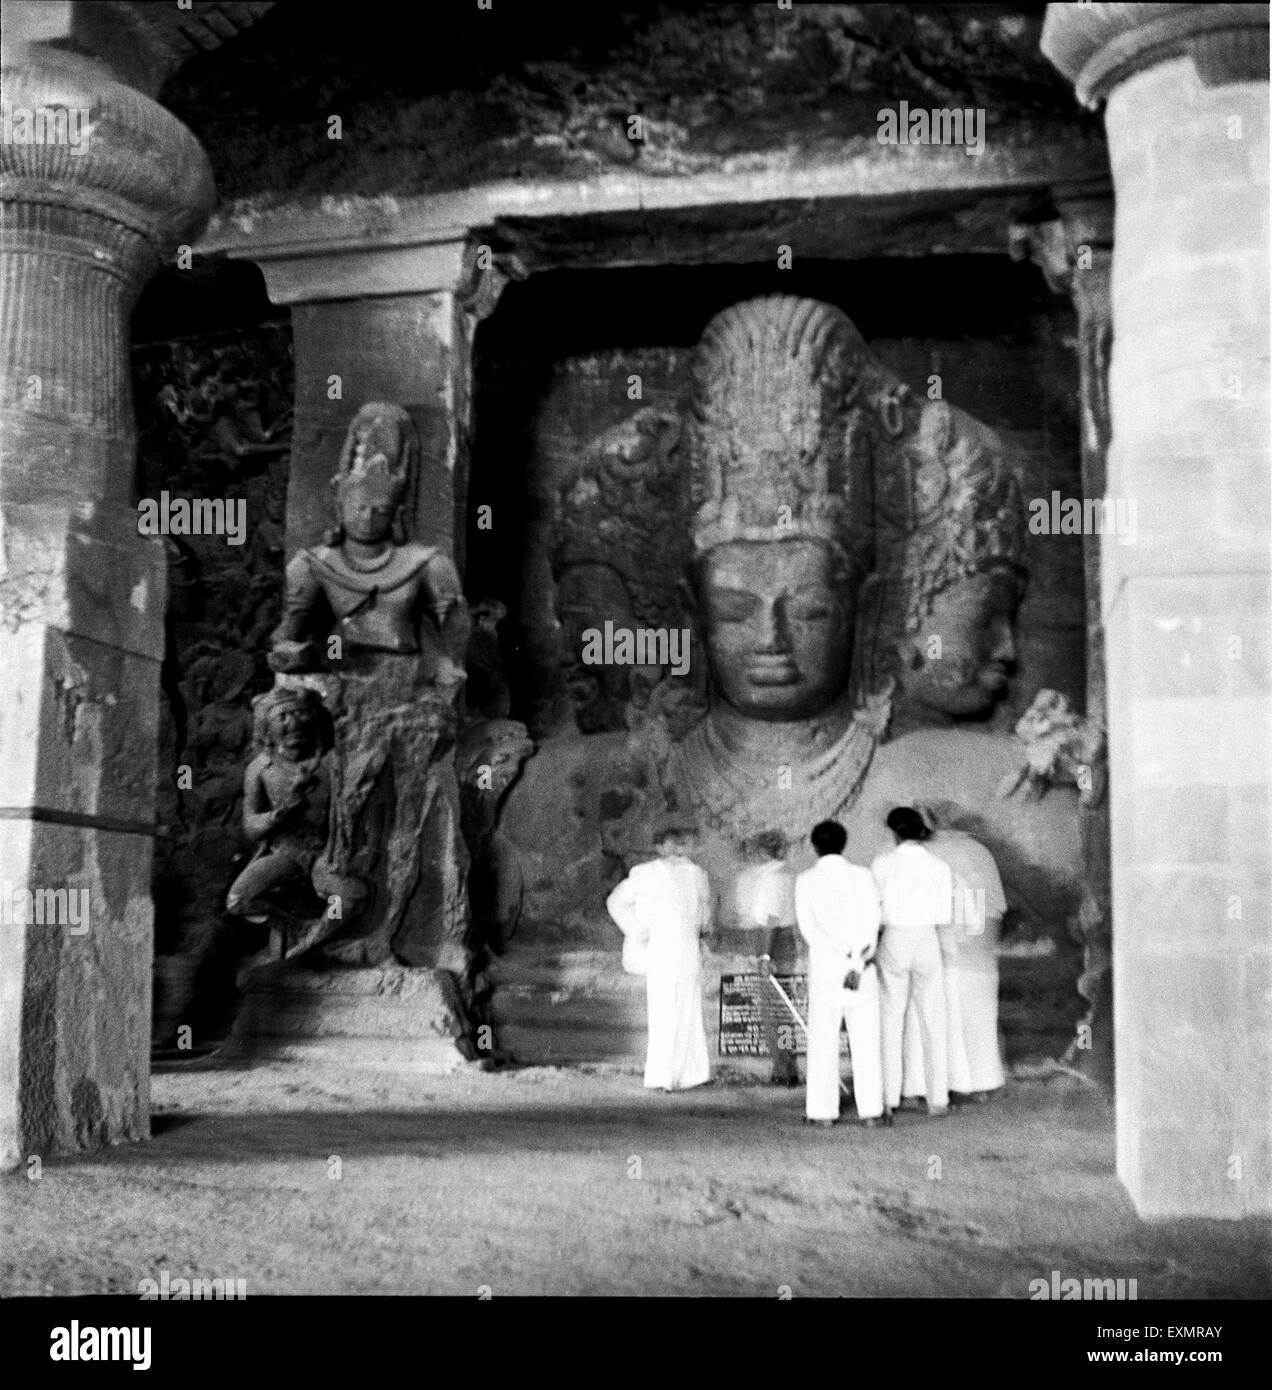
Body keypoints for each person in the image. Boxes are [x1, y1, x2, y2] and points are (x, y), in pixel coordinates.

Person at [794, 820, 886, 1127]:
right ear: (844, 843)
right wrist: (857, 961)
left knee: (822, 1040)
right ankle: (872, 1112)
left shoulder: (806, 880)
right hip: (861, 969)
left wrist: (840, 953)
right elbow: (874, 923)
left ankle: (822, 1113)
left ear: (814, 846)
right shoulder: (864, 876)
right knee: (867, 1040)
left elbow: (810, 931)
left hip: (826, 968)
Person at [607, 824, 712, 1092]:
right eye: (669, 843)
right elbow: (616, 902)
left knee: (689, 1012)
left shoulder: (697, 874)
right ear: (658, 847)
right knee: (663, 1012)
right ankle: (661, 1077)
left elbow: (704, 912)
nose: (676, 848)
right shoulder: (644, 874)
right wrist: (638, 932)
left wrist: (702, 936)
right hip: (661, 951)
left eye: (680, 843)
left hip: (688, 949)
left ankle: (691, 1074)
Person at [872, 806, 956, 1117]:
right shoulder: (939, 865)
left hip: (894, 937)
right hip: (927, 938)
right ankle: (938, 1099)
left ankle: (889, 1097)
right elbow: (945, 915)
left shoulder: (882, 864)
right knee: (933, 1018)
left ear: (894, 832)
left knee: (891, 1019)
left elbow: (875, 910)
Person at [735, 830, 801, 1086]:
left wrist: (764, 954)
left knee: (776, 1012)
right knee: (781, 1011)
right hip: (780, 943)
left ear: (762, 852)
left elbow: (770, 920)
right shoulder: (783, 874)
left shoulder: (773, 878)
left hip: (774, 944)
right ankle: (785, 1065)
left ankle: (784, 1067)